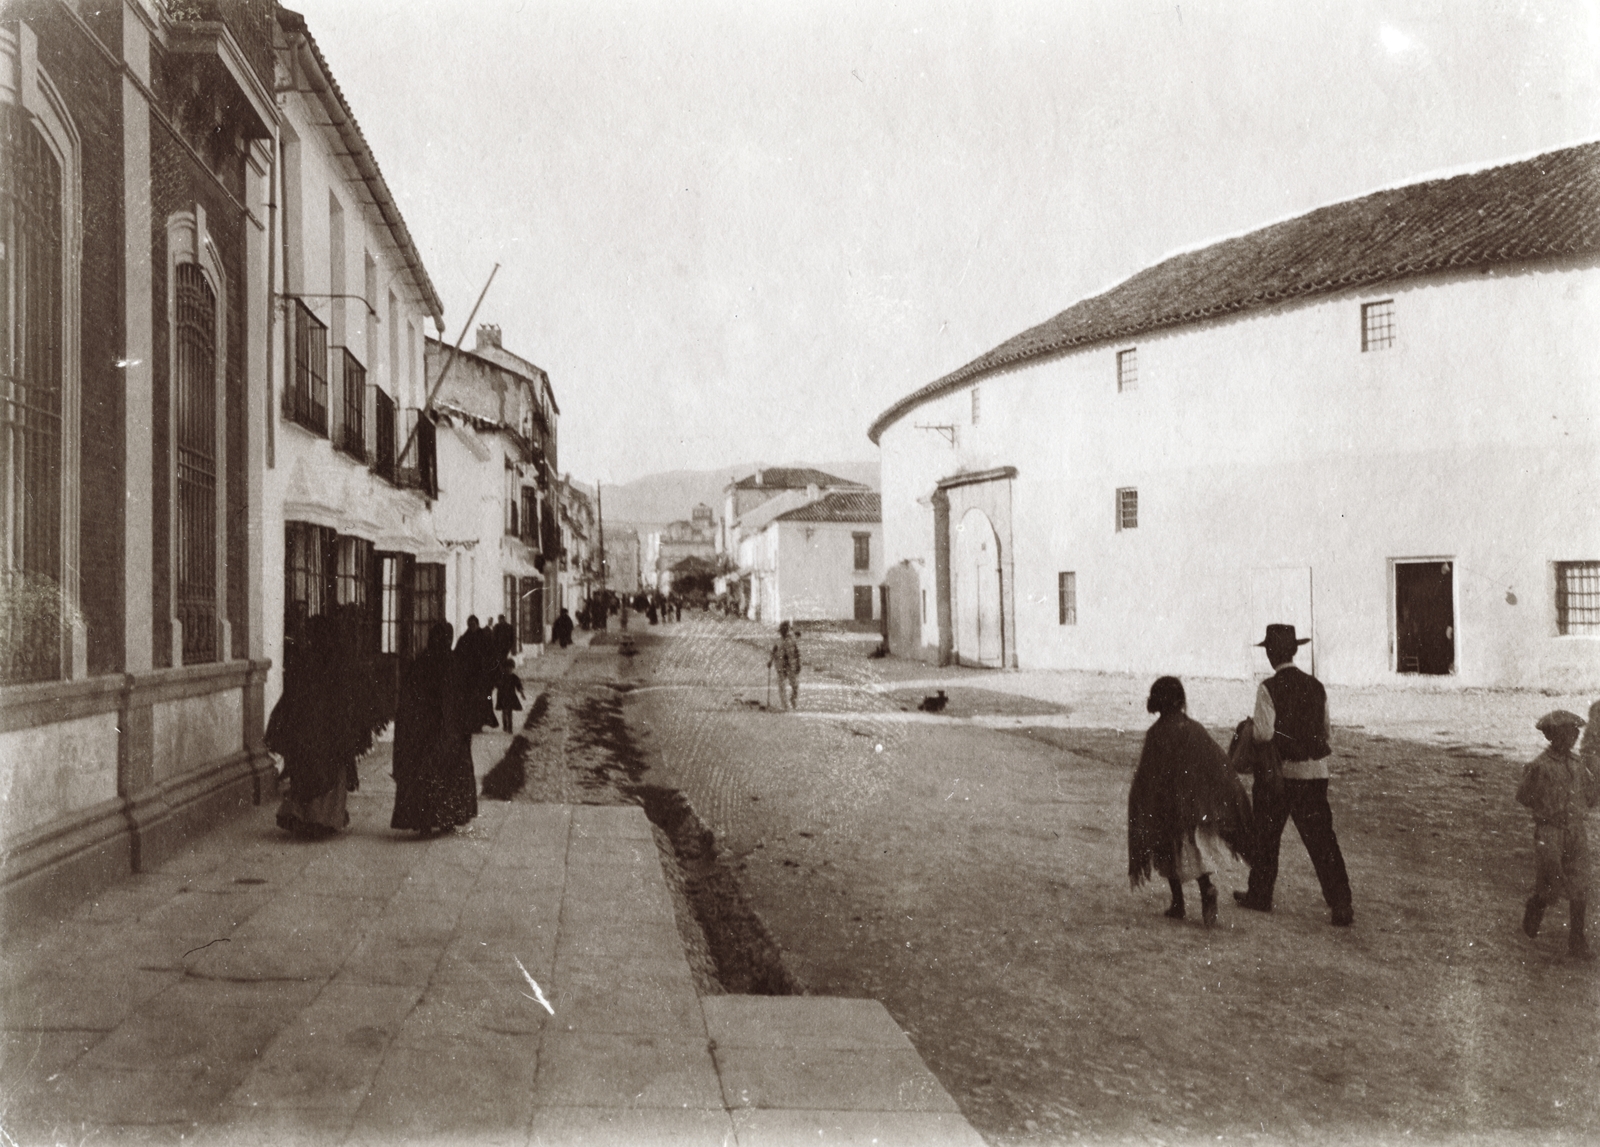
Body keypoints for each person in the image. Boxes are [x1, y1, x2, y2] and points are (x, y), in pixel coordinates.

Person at [1234, 623, 1354, 926]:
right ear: (1295, 651)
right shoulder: (1317, 686)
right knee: (1323, 842)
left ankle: (1259, 895)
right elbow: (1326, 731)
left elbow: (1262, 734)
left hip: (1280, 776)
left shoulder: (1268, 688)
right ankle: (1341, 904)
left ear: (1271, 655)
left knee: (1265, 836)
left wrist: (1247, 728)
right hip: (1315, 772)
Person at [1128, 676, 1253, 925]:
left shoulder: (1156, 733)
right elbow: (1217, 763)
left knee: (1169, 855)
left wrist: (1143, 802)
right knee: (1194, 855)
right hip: (1192, 806)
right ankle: (1206, 888)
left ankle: (1178, 903)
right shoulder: (1194, 728)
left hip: (1168, 808)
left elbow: (1147, 775)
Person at [1517, 709, 1599, 960]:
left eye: (1575, 733)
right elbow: (1523, 796)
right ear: (1553, 736)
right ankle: (1535, 908)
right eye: (1567, 733)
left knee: (1580, 885)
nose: (1573, 738)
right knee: (1550, 886)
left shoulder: (1578, 765)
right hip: (1550, 831)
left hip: (1575, 832)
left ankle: (1577, 939)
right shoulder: (1540, 766)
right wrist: (1546, 811)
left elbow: (1590, 798)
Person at [267, 614, 356, 838]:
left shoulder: (303, 660)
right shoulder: (336, 663)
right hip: (329, 736)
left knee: (307, 775)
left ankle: (306, 817)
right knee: (329, 776)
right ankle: (323, 819)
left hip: (305, 735)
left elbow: (289, 700)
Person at [391, 621, 479, 835]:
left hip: (422, 732)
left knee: (424, 775)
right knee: (447, 775)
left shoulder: (420, 662)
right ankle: (446, 818)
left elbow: (408, 700)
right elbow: (460, 700)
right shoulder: (452, 663)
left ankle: (423, 821)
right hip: (447, 731)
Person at [770, 620, 801, 710]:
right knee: (782, 686)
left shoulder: (792, 639)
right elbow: (773, 650)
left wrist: (798, 664)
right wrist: (770, 661)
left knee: (795, 685)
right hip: (780, 665)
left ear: (787, 630)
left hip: (791, 665)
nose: (783, 631)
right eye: (782, 629)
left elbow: (796, 652)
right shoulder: (778, 640)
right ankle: (785, 706)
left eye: (785, 629)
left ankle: (793, 699)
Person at [494, 658, 525, 734]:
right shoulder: (501, 677)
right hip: (502, 696)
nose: (509, 670)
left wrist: (522, 694)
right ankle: (505, 725)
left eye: (511, 668)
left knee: (509, 712)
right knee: (505, 711)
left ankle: (510, 727)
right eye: (507, 668)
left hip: (511, 696)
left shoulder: (514, 677)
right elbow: (496, 685)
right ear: (504, 668)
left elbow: (519, 686)